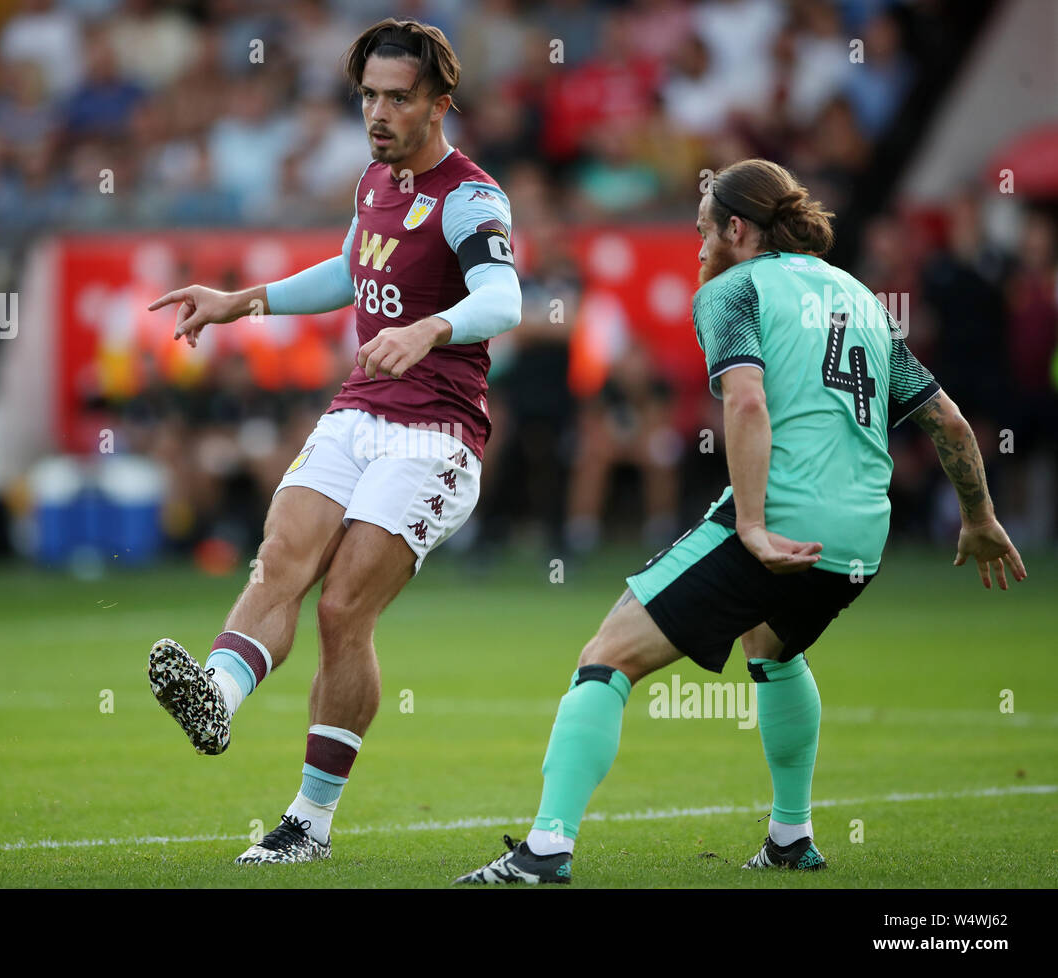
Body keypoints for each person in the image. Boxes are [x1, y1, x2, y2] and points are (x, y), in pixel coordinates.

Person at [455, 158, 1026, 885]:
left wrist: (752, 526)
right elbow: (946, 419)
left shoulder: (734, 290)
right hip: (860, 540)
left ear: (736, 228)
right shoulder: (856, 292)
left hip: (782, 522)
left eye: (702, 231)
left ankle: (545, 849)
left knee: (605, 657)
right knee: (773, 649)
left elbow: (747, 403)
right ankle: (791, 837)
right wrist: (979, 518)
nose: (697, 248)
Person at [145, 18, 521, 865]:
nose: (378, 113)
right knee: (281, 560)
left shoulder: (471, 196)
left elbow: (505, 300)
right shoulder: (374, 181)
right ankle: (215, 698)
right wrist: (243, 299)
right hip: (358, 409)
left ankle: (309, 823)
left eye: (398, 98)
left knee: (344, 607)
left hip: (436, 432)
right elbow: (353, 269)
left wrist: (430, 329)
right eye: (368, 97)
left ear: (439, 104)